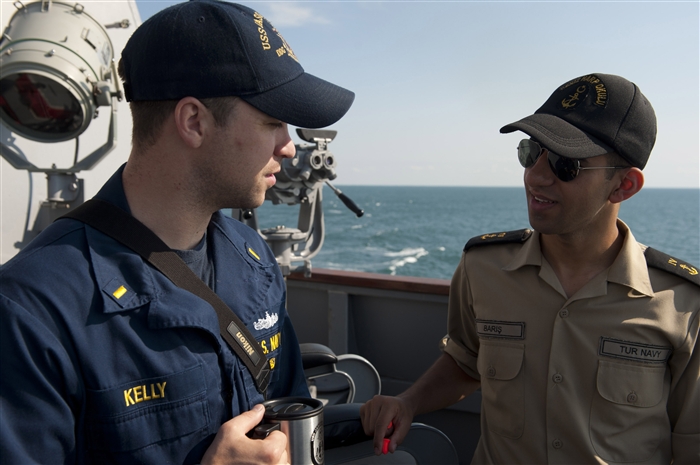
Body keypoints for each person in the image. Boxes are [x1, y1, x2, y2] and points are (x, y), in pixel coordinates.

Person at [0, 1, 354, 464]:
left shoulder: (251, 257)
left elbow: (284, 408)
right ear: (194, 122)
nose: (288, 147)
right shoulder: (33, 309)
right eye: (272, 121)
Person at [360, 73, 699, 464]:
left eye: (564, 164)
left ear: (623, 186)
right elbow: (466, 360)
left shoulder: (682, 305)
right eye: (531, 152)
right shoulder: (483, 268)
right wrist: (408, 402)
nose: (535, 175)